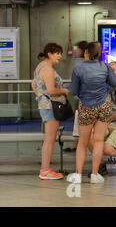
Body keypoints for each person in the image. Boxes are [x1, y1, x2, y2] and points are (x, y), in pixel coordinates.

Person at [66, 42, 116, 184]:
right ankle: (95, 174)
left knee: (83, 142)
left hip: (86, 107)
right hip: (104, 106)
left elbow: (74, 91)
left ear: (86, 53)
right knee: (99, 140)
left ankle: (78, 175)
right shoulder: (104, 67)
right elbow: (115, 83)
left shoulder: (78, 68)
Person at [32, 43, 69, 180]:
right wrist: (64, 90)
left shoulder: (40, 67)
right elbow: (52, 90)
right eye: (57, 53)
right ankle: (45, 170)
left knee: (49, 138)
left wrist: (39, 96)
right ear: (49, 54)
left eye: (60, 53)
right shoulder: (47, 69)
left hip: (45, 104)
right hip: (50, 106)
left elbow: (33, 84)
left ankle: (46, 169)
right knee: (49, 139)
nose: (60, 56)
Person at [64, 40, 88, 153]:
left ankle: (77, 144)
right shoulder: (92, 63)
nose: (75, 51)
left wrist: (63, 87)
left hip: (81, 97)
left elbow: (73, 79)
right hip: (87, 96)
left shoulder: (79, 63)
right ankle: (76, 143)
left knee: (79, 120)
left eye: (77, 49)